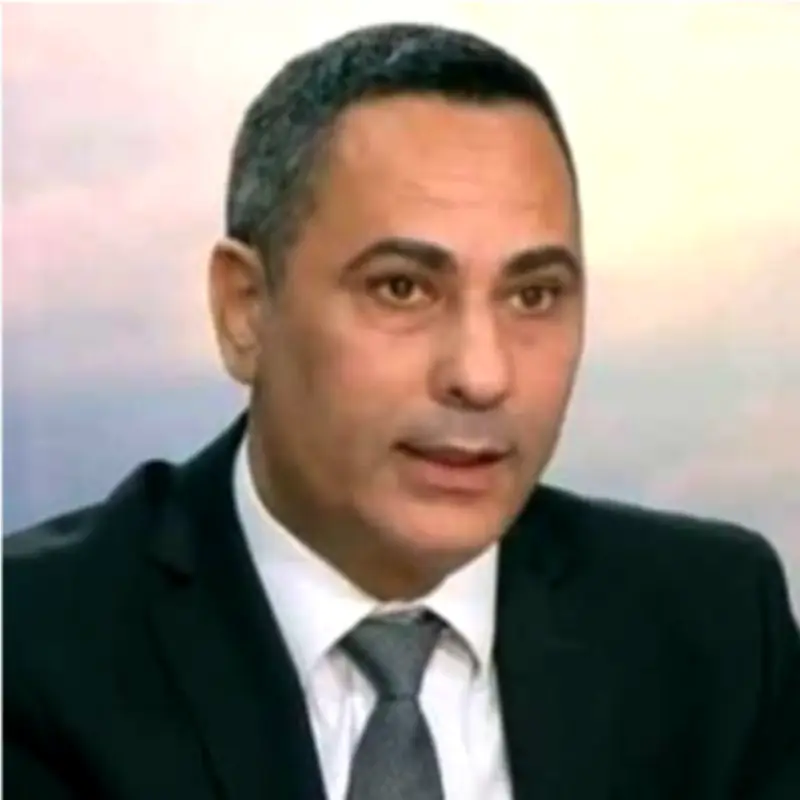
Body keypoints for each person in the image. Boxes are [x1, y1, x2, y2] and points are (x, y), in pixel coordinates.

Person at [4, 21, 798, 800]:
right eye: (402, 288)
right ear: (244, 309)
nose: (482, 376)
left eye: (533, 295)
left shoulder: (715, 630)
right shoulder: (32, 649)